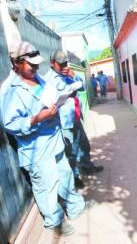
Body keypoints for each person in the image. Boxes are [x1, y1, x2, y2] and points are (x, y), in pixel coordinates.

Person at [0, 41, 92, 237]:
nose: (35, 67)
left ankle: (76, 207)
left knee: (66, 176)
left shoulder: (39, 79)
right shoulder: (9, 90)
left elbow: (51, 95)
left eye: (36, 64)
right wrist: (38, 117)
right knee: (46, 187)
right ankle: (55, 221)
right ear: (15, 62)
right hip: (37, 148)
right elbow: (10, 124)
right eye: (30, 64)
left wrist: (63, 97)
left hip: (55, 140)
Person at [44, 50, 103, 189]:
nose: (64, 66)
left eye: (65, 63)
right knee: (71, 151)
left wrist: (74, 76)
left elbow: (82, 87)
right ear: (52, 64)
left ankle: (87, 166)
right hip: (64, 121)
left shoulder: (67, 74)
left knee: (84, 144)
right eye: (60, 64)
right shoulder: (48, 80)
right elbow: (50, 101)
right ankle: (75, 177)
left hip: (75, 116)